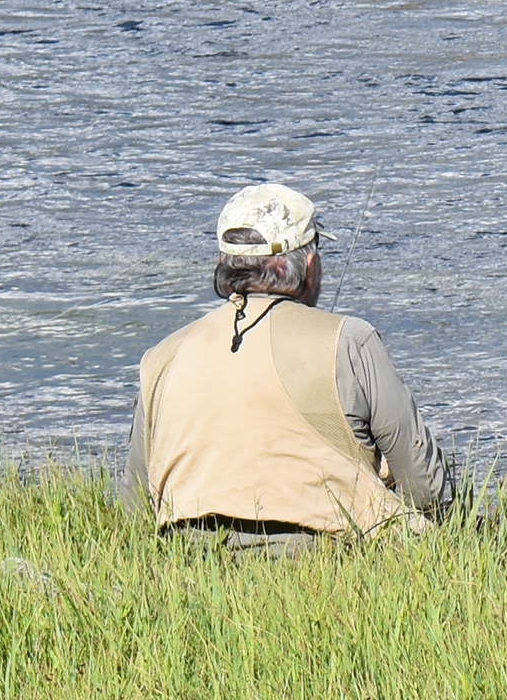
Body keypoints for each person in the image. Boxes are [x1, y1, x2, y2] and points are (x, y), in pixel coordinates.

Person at [124, 181, 451, 548]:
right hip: (322, 553)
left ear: (222, 263)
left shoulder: (161, 356)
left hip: (187, 551)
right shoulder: (351, 341)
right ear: (309, 266)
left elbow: (135, 506)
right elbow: (426, 487)